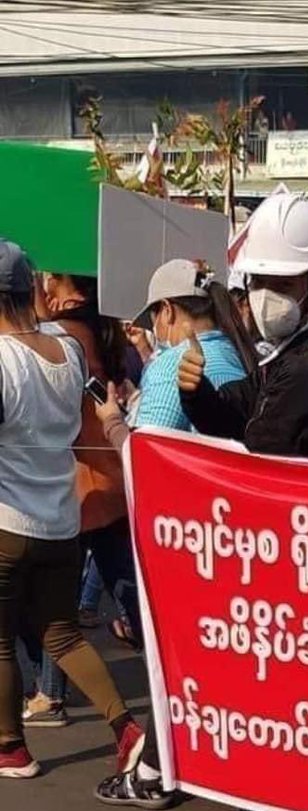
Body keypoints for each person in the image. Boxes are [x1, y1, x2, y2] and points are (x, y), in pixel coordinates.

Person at [95, 191, 308, 811]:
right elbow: (247, 429)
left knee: (273, 685)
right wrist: (204, 400)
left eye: (282, 283)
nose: (267, 296)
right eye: (259, 282)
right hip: (275, 549)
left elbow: (255, 458)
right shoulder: (286, 360)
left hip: (286, 551)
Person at [0, 241, 144, 778]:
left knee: (3, 637)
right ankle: (125, 727)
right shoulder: (67, 347)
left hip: (8, 521)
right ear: (30, 289)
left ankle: (11, 747)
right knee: (63, 632)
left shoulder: (4, 358)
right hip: (61, 522)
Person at [32, 270, 142, 720]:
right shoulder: (99, 327)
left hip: (80, 480)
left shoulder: (66, 334)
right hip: (106, 474)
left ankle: (50, 693)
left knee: (55, 597)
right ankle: (167, 657)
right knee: (124, 584)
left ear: (59, 283)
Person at [133, 259, 255, 431]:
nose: (155, 331)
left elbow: (147, 450)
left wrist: (112, 421)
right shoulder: (241, 354)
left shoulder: (172, 366)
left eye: (153, 320)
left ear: (167, 310)